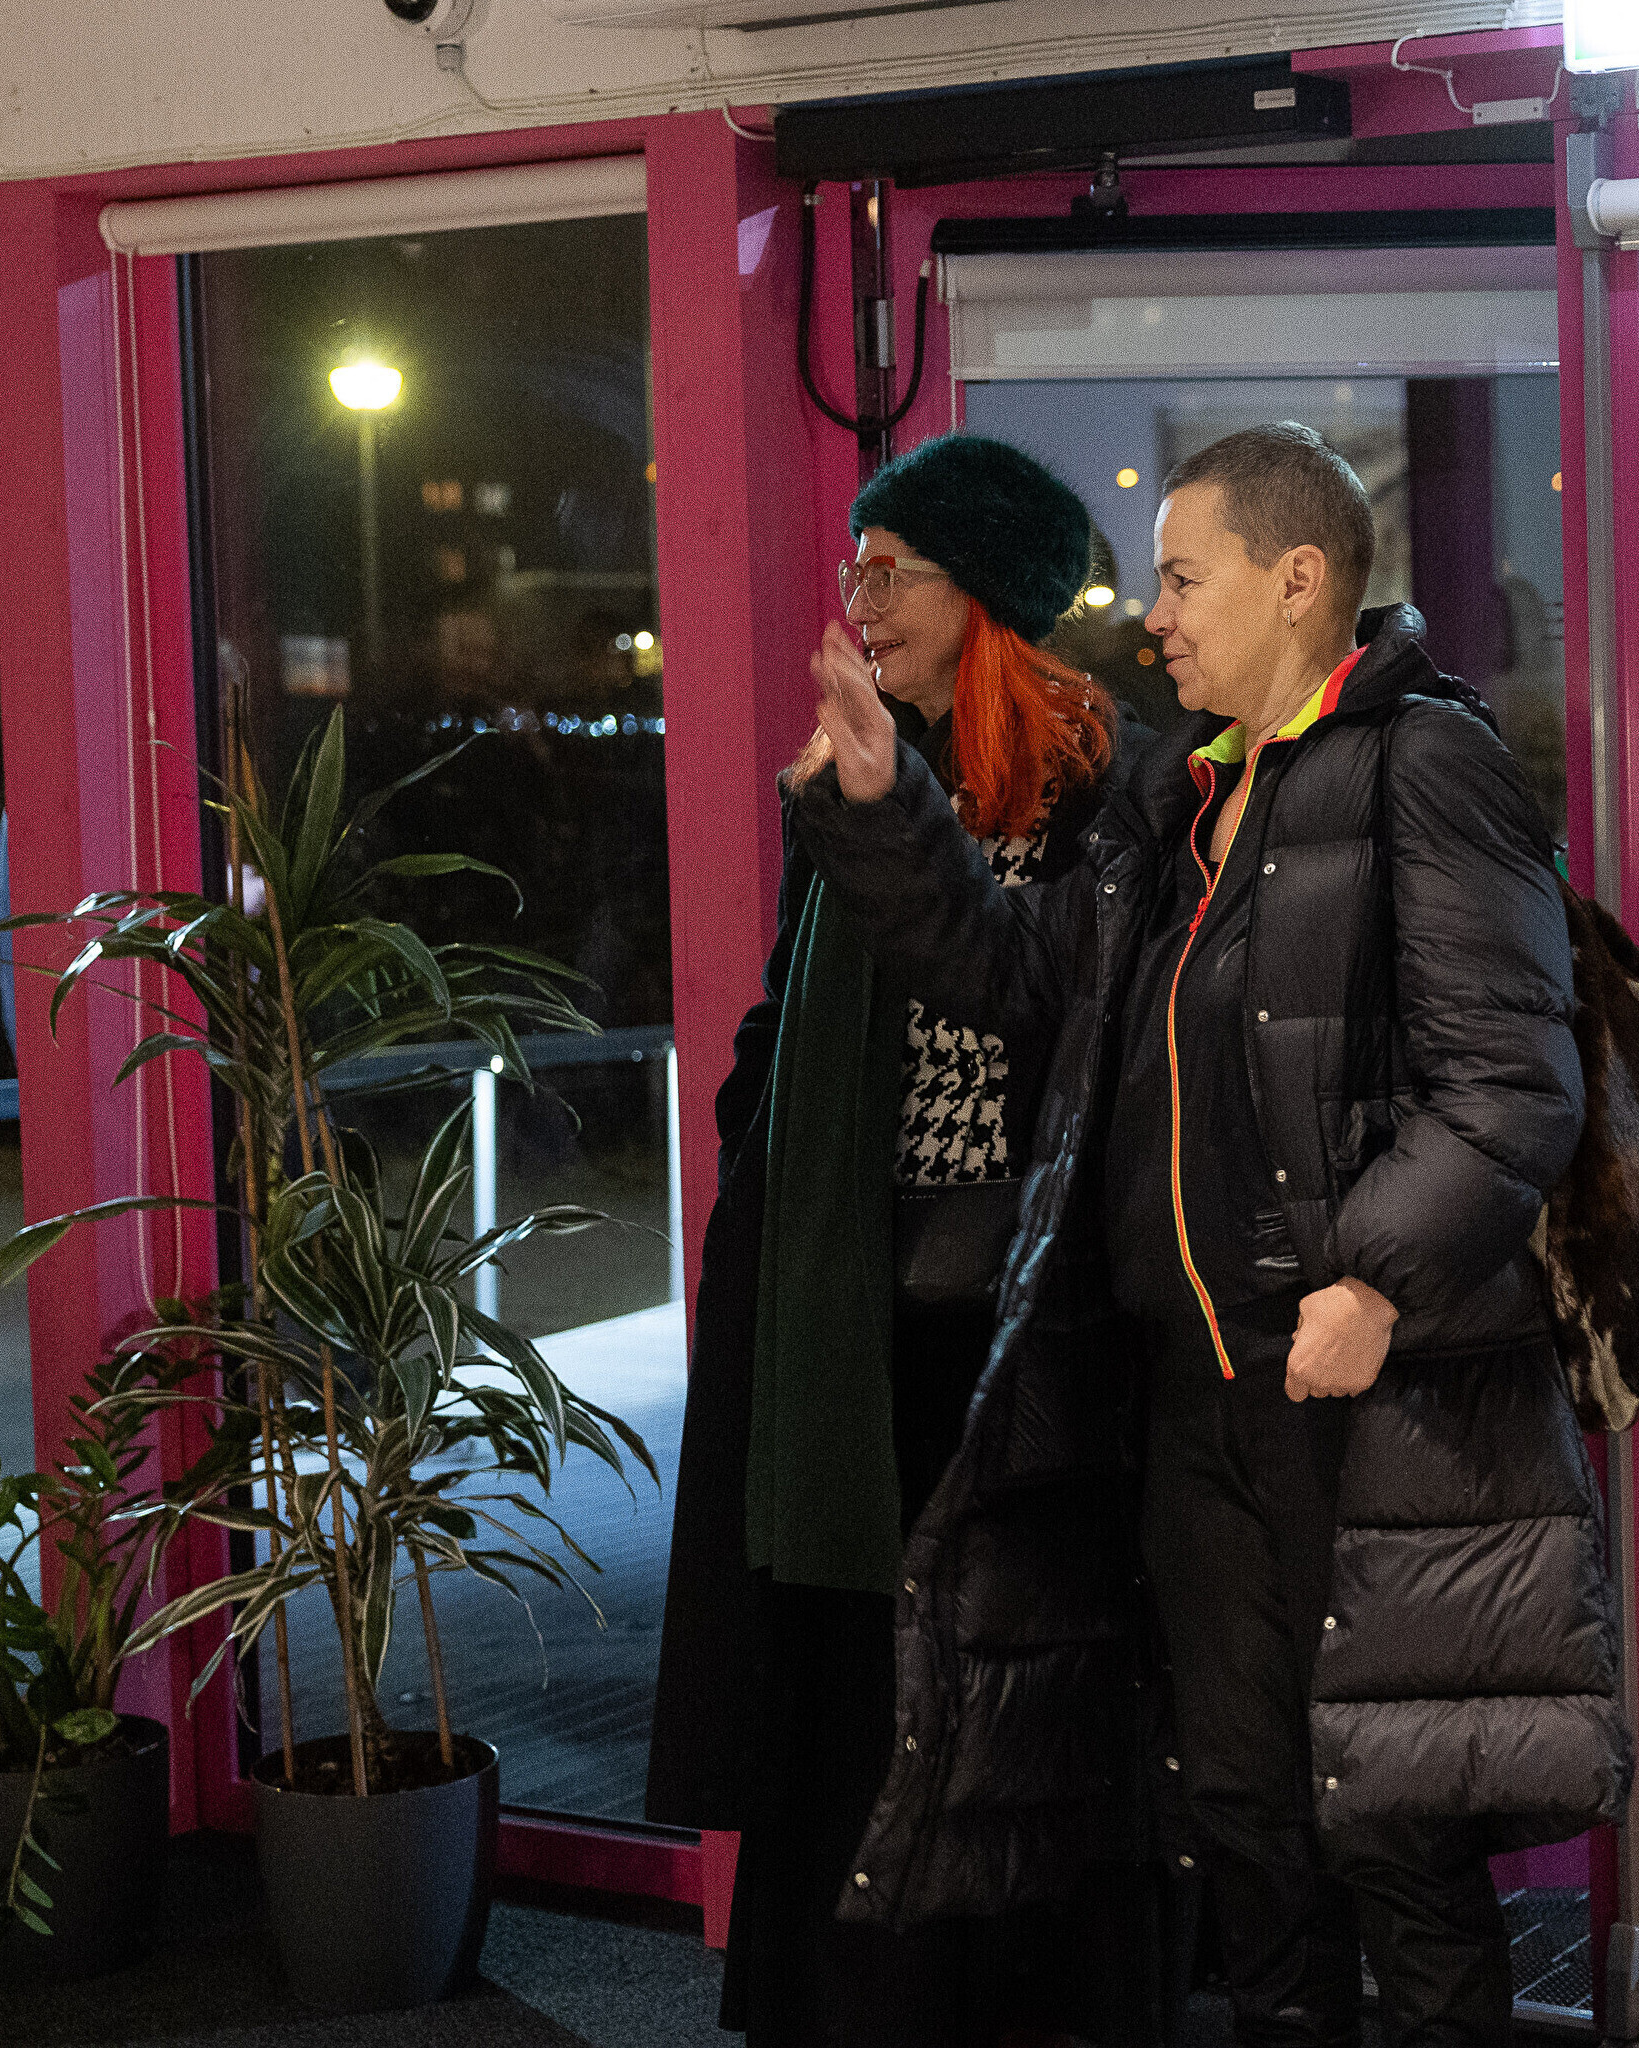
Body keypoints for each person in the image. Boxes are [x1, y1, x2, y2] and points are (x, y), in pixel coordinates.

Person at [791, 422, 1627, 2047]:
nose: (1155, 615)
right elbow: (1021, 981)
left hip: (1366, 1402)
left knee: (1399, 1835)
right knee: (1247, 1824)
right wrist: (890, 814)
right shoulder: (1176, 799)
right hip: (1193, 1405)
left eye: (1184, 579)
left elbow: (1514, 1086)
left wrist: (1374, 1282)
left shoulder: (1424, 763)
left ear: (1297, 580)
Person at [646, 433, 1157, 2048]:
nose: (859, 598)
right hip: (850, 1316)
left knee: (981, 1696)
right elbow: (785, 1014)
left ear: (985, 594)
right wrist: (763, 1149)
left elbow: (1055, 1022)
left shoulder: (1102, 787)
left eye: (893, 570)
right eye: (854, 565)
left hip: (1006, 1337)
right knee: (847, 1688)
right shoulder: (860, 761)